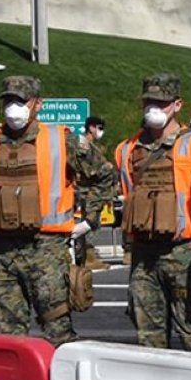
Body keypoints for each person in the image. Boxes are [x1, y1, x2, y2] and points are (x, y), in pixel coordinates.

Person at [0, 76, 117, 344]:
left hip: (46, 252)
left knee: (58, 333)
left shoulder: (61, 140)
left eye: (20, 100)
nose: (13, 107)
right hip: (2, 252)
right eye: (8, 100)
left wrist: (90, 219)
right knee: (6, 338)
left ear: (37, 104)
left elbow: (105, 175)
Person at [116, 73, 191, 352]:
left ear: (177, 105)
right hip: (144, 255)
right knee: (148, 338)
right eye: (148, 102)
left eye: (161, 103)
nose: (153, 109)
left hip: (185, 253)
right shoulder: (127, 150)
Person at [73, 115, 112, 271]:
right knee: (90, 222)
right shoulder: (83, 145)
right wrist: (104, 169)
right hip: (86, 190)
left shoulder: (91, 146)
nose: (101, 132)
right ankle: (87, 257)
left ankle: (86, 256)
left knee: (90, 222)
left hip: (91, 190)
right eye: (99, 128)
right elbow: (84, 169)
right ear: (91, 128)